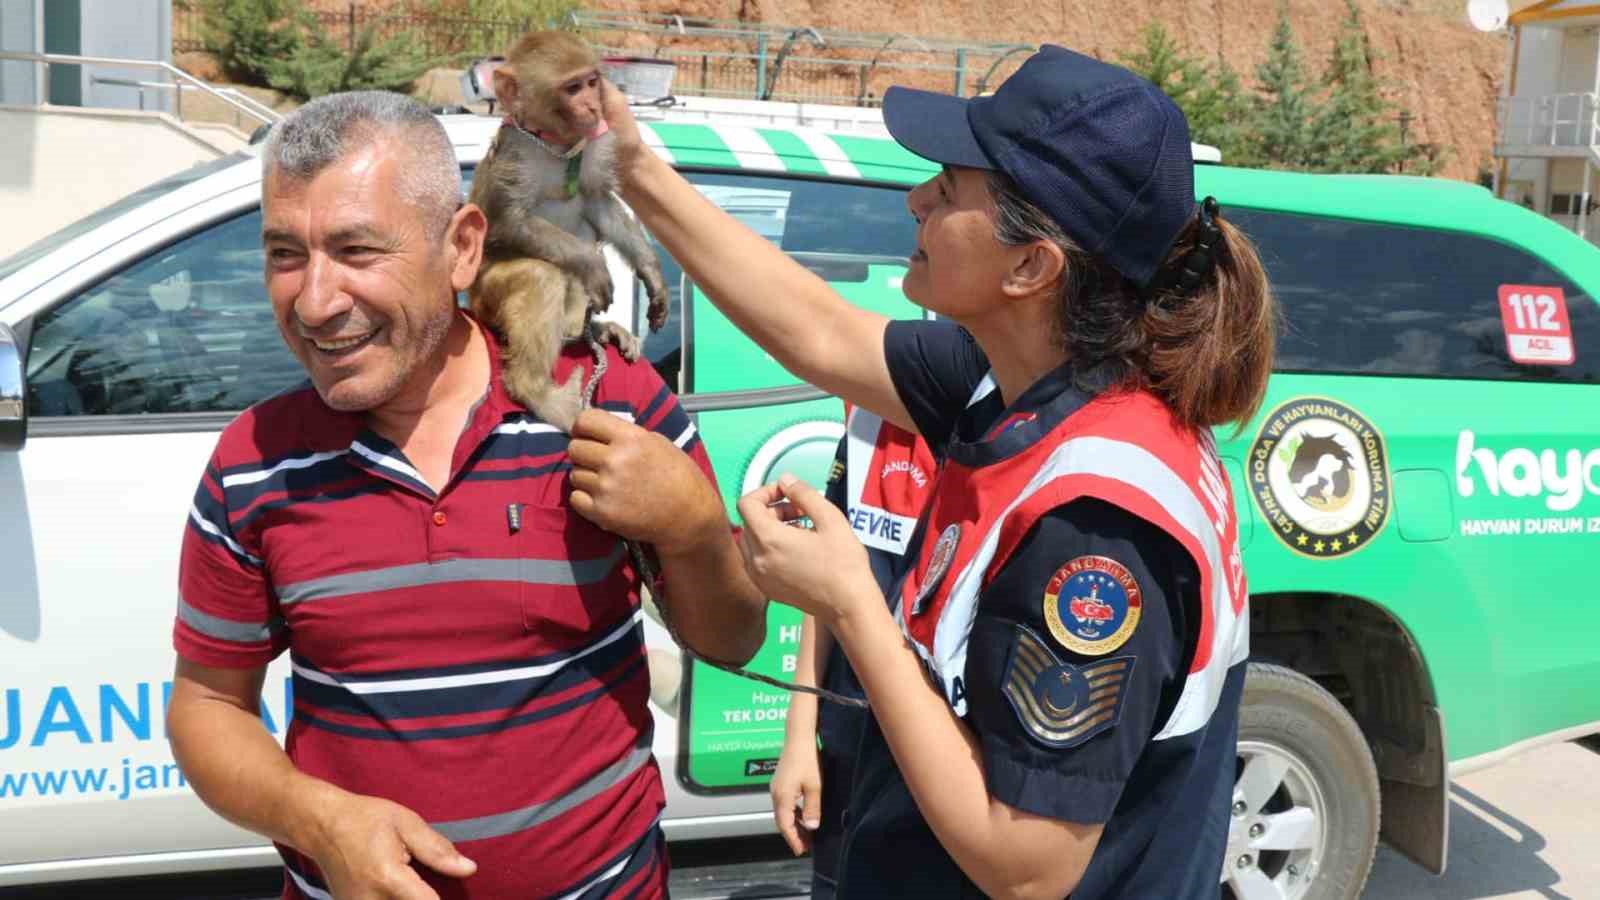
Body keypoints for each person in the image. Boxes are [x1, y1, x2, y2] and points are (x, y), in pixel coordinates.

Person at [605, 44, 1276, 899]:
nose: (916, 198)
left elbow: (1029, 865)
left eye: (951, 189)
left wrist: (850, 599)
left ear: (1032, 267)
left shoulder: (1096, 521)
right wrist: (629, 165)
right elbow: (822, 333)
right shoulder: (1018, 379)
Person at [165, 91, 767, 900]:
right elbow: (207, 708)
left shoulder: (604, 399)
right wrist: (320, 821)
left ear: (461, 248)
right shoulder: (253, 463)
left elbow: (733, 640)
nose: (314, 301)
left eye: (356, 250)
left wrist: (694, 528)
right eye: (284, 254)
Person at [768, 404, 949, 896]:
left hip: (950, 770)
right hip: (850, 754)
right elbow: (826, 582)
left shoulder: (1006, 415)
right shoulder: (872, 416)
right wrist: (800, 733)